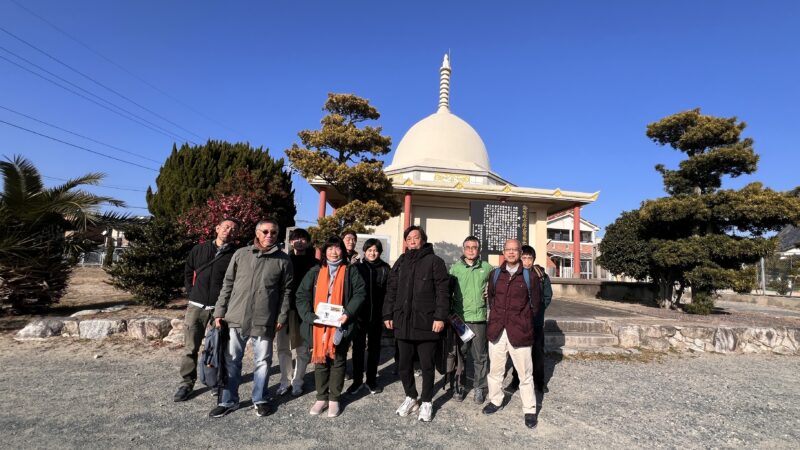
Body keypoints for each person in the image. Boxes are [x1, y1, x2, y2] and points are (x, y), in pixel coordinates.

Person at [208, 218, 293, 418]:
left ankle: (260, 398)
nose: (269, 235)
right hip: (236, 317)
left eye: (273, 232)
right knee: (231, 360)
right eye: (265, 231)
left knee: (263, 361)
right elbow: (227, 284)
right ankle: (228, 401)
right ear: (257, 233)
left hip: (265, 319)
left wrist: (281, 315)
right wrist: (219, 311)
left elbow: (286, 291)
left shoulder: (283, 260)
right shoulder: (241, 254)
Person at [383, 226, 449, 422]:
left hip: (426, 322)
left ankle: (427, 401)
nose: (412, 240)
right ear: (405, 242)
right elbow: (391, 290)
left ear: (423, 239)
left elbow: (443, 292)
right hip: (402, 321)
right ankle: (411, 397)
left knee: (427, 365)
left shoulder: (435, 262)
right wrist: (387, 313)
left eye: (416, 237)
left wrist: (440, 317)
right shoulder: (401, 262)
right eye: (408, 238)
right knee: (403, 364)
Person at [296, 236, 366, 418]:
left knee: (338, 360)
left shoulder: (351, 271)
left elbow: (360, 293)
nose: (333, 252)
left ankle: (334, 398)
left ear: (342, 250)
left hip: (340, 323)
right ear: (324, 251)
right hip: (318, 324)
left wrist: (348, 314)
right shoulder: (315, 271)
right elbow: (301, 295)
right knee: (320, 361)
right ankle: (321, 397)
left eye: (337, 248)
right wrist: (309, 316)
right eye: (329, 248)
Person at [174, 218, 239, 402]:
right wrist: (192, 292)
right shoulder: (199, 249)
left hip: (220, 309)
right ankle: (186, 383)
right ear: (217, 228)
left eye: (234, 229)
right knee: (190, 347)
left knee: (217, 347)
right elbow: (188, 270)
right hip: (197, 306)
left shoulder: (236, 254)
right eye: (226, 227)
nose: (229, 231)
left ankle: (216, 382)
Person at [482, 239, 542, 429]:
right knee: (495, 371)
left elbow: (536, 305)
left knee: (525, 374)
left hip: (520, 331)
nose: (511, 253)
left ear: (519, 252)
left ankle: (529, 409)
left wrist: (522, 320)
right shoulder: (495, 274)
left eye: (514, 250)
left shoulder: (530, 277)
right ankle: (495, 400)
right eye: (507, 249)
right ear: (503, 251)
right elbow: (491, 298)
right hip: (498, 330)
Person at [446, 236, 492, 404]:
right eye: (468, 247)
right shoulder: (455, 269)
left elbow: (496, 285)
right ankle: (459, 385)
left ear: (479, 250)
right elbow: (447, 293)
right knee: (461, 355)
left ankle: (479, 387)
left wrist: (490, 290)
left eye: (474, 247)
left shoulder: (487, 268)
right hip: (460, 319)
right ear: (463, 249)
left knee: (480, 356)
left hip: (479, 318)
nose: (471, 250)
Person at [276, 228, 318, 397]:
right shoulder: (284, 260)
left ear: (308, 242)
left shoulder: (315, 263)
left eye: (303, 239)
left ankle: (298, 381)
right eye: (295, 239)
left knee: (302, 349)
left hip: (304, 311)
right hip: (285, 309)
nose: (299, 241)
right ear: (290, 242)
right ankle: (285, 381)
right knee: (283, 347)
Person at [506, 245, 553, 394]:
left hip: (536, 320)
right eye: (524, 258)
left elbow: (547, 296)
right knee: (518, 352)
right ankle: (516, 380)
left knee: (537, 352)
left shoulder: (541, 275)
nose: (526, 262)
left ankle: (539, 382)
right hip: (519, 322)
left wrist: (538, 310)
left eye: (529, 258)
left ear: (533, 259)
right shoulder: (515, 275)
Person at [347, 238, 391, 395]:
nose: (373, 253)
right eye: (370, 250)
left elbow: (389, 293)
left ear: (380, 252)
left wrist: (387, 314)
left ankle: (371, 380)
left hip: (377, 316)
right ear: (364, 251)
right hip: (359, 315)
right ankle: (357, 381)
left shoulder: (386, 268)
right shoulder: (357, 268)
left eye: (376, 250)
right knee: (358, 349)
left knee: (374, 349)